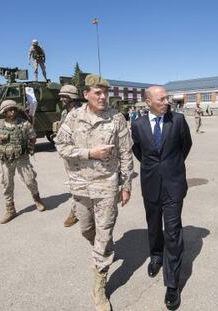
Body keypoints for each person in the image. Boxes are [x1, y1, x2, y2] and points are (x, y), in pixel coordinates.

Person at [54, 74, 133, 311]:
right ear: (86, 94)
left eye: (105, 92)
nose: (102, 96)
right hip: (79, 185)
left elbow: (126, 154)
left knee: (104, 233)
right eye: (97, 92)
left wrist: (126, 185)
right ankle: (102, 249)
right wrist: (90, 153)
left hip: (107, 185)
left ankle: (99, 285)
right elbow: (61, 146)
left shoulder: (116, 119)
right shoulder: (73, 117)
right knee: (87, 228)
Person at [131, 86, 192, 310]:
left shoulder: (177, 120)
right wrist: (154, 168)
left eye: (167, 98)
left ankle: (172, 284)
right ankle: (156, 255)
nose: (167, 101)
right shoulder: (137, 124)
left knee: (173, 232)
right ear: (148, 102)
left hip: (174, 184)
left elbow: (186, 146)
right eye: (161, 99)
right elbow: (139, 151)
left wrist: (171, 166)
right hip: (150, 183)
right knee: (154, 226)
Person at [0, 100, 46, 224]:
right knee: (7, 184)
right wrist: (4, 150)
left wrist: (27, 147)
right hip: (6, 160)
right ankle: (10, 209)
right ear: (4, 112)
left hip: (22, 158)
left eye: (14, 109)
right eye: (9, 110)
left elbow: (33, 138)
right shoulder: (0, 125)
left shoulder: (24, 124)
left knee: (30, 180)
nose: (13, 111)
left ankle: (37, 199)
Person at [58, 84, 82, 227]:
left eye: (64, 96)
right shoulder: (64, 113)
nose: (61, 99)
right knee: (76, 183)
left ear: (71, 97)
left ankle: (75, 212)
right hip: (69, 154)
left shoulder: (80, 112)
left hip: (79, 153)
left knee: (77, 184)